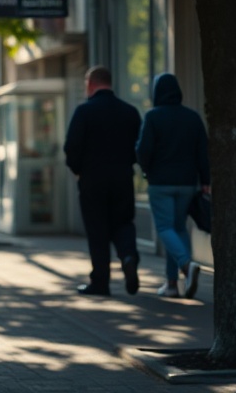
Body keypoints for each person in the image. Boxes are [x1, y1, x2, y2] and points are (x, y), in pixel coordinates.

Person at [64, 65, 142, 297]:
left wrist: (78, 170)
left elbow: (71, 148)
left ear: (90, 84)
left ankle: (101, 281)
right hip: (122, 179)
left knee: (97, 230)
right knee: (123, 223)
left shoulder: (84, 112)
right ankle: (128, 256)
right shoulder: (130, 112)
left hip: (92, 181)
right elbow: (139, 147)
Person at [136, 72, 211, 299]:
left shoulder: (153, 117)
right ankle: (171, 284)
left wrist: (147, 170)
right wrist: (205, 180)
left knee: (165, 228)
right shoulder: (192, 118)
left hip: (160, 183)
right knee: (178, 229)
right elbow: (203, 152)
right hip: (188, 184)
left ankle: (187, 266)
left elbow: (143, 152)